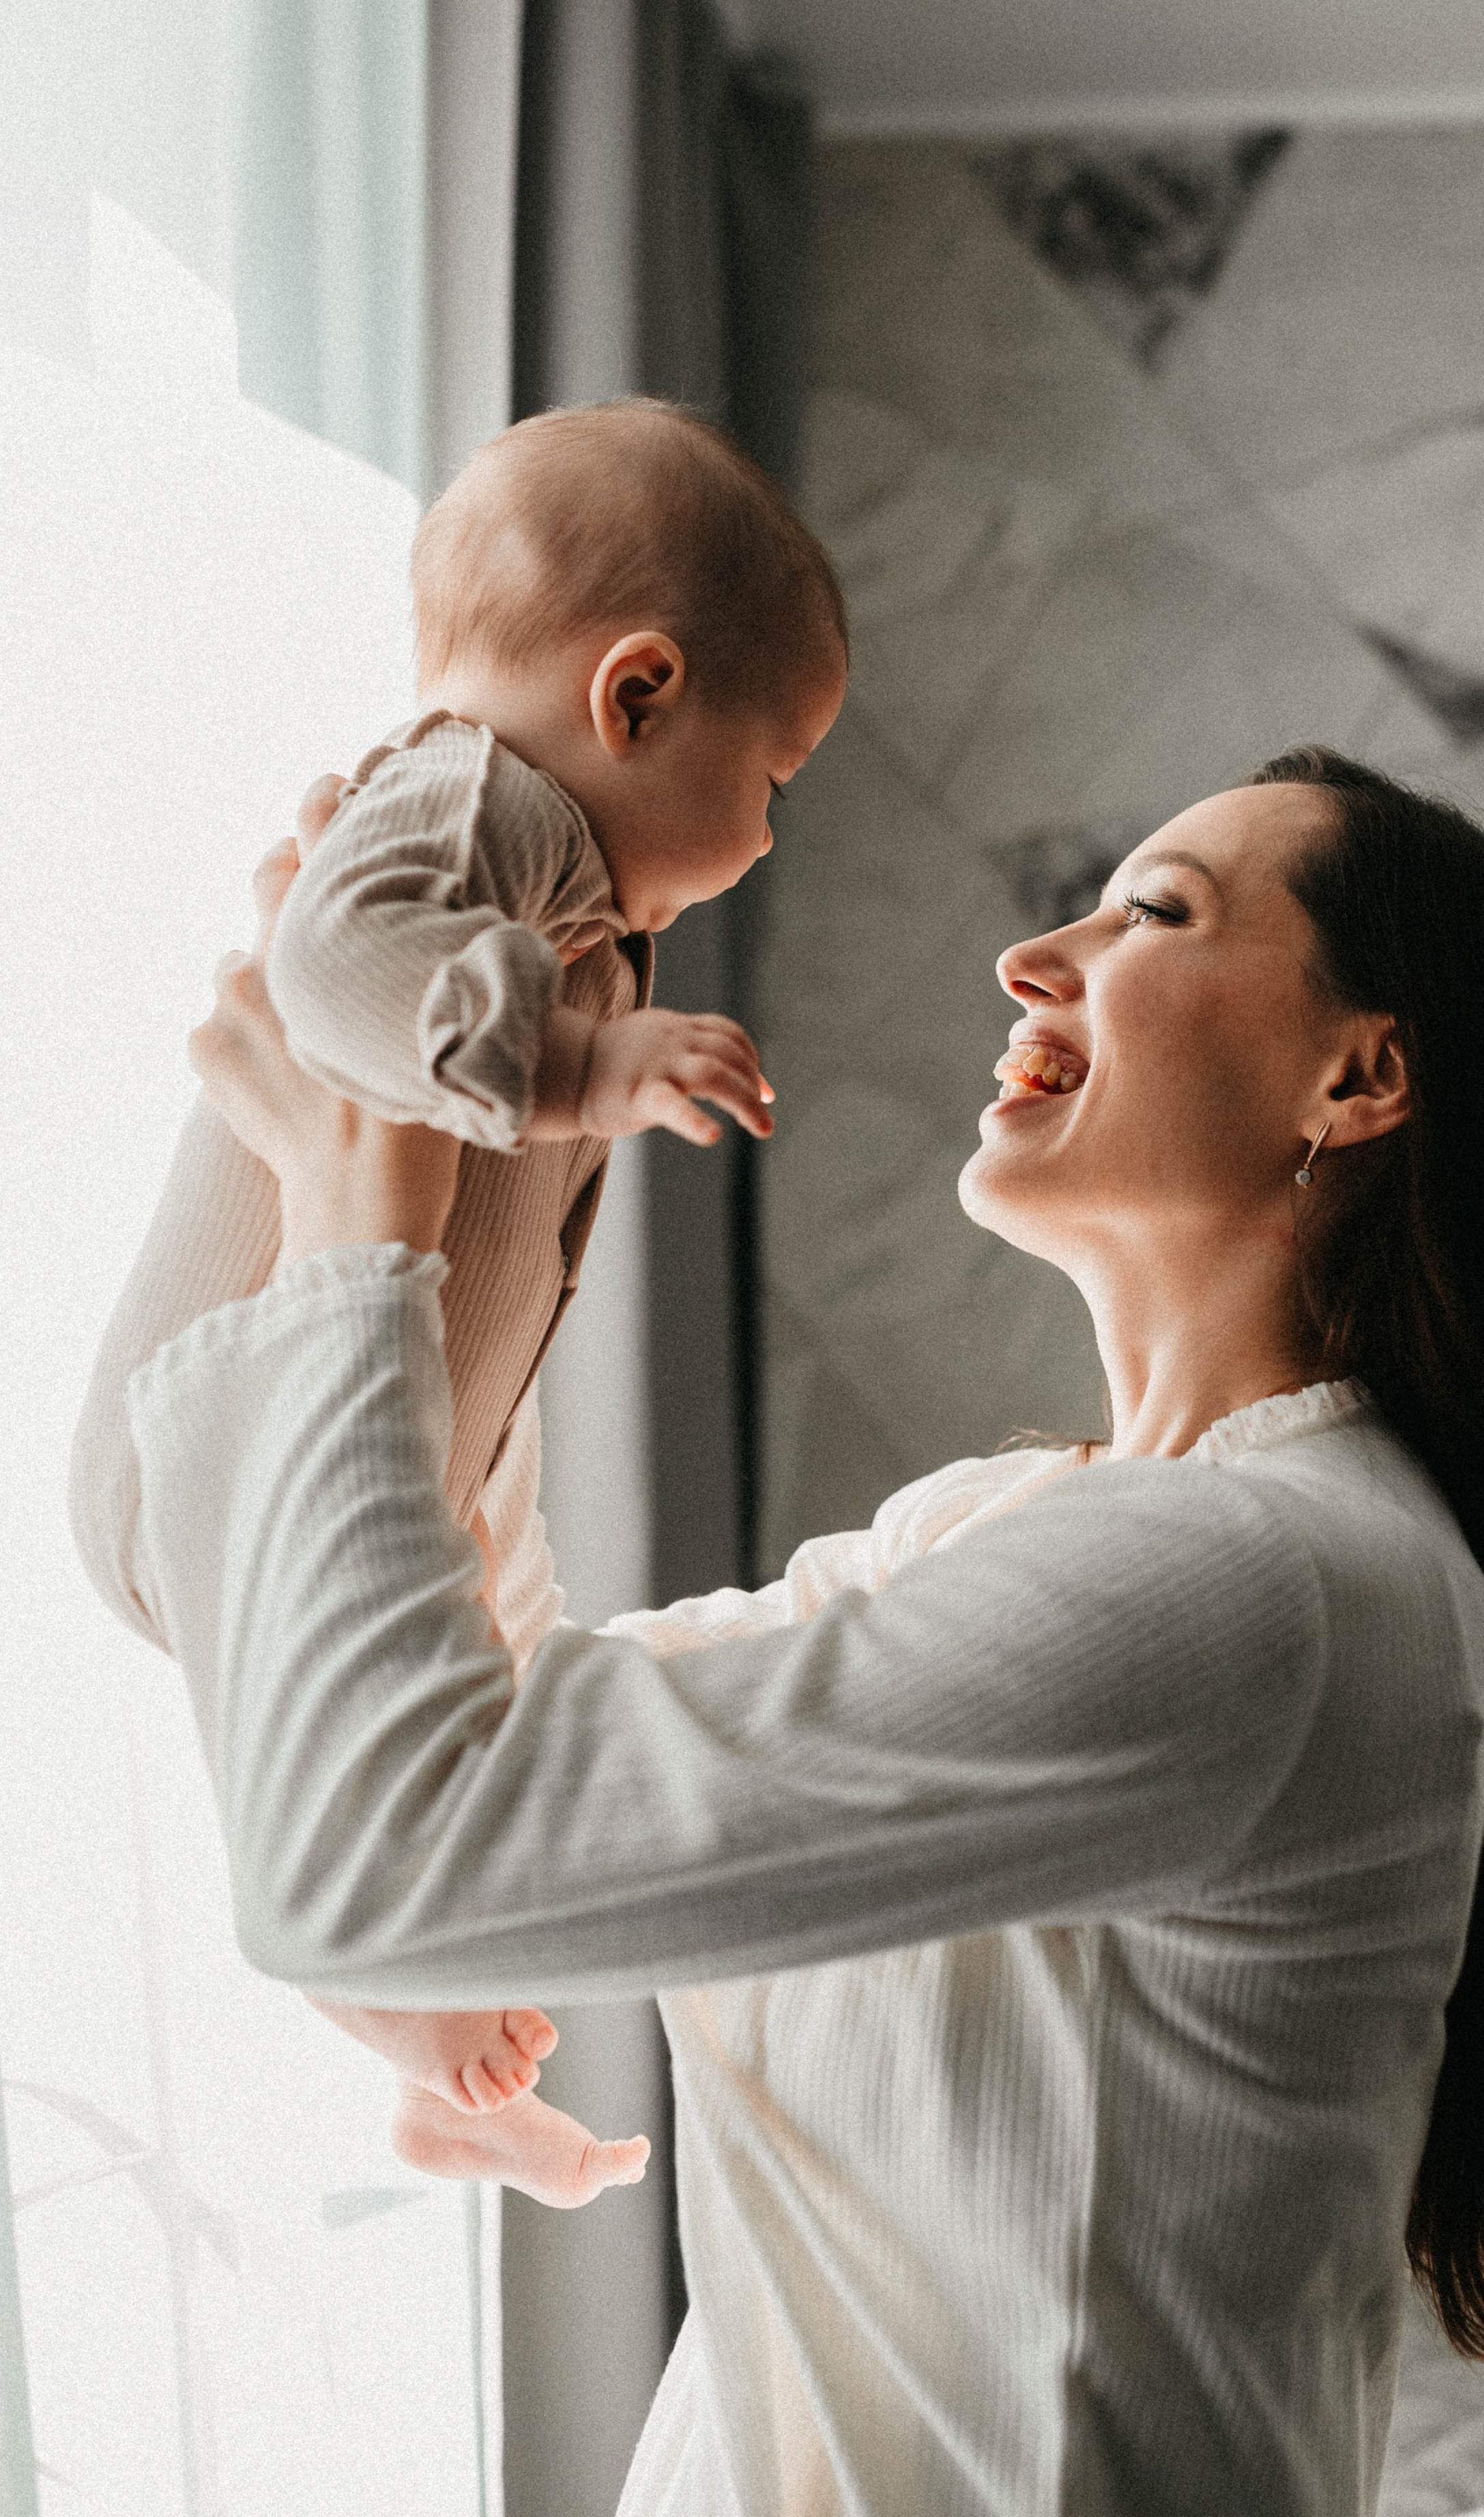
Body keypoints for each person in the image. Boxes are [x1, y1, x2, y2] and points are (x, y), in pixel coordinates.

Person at [127, 749, 1484, 2516]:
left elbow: (377, 1856)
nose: (1031, 957)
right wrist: (459, 1159)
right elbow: (477, 1719)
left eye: (1154, 914)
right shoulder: (1015, 1526)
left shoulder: (1264, 1584)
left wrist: (362, 1215)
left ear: (1359, 1075)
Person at [68, 396, 847, 2205]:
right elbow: (329, 964)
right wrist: (585, 1065)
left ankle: (435, 2038)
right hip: (226, 1412)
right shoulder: (469, 795)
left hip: (387, 1416)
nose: (764, 836)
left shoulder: (534, 855)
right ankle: (377, 1994)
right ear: (637, 694)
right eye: (773, 780)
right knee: (320, 1704)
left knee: (470, 1670)